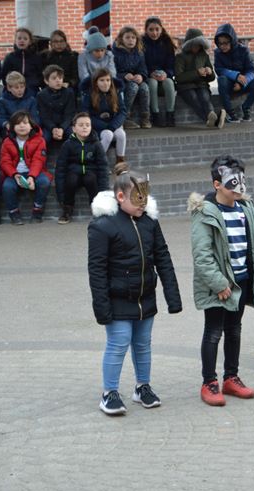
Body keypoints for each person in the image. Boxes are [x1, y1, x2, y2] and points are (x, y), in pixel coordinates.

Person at [88, 163, 182, 415]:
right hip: (117, 298)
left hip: (145, 296)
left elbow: (162, 256)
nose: (143, 203)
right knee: (118, 343)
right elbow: (96, 270)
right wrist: (102, 307)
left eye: (145, 197)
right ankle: (109, 392)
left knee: (143, 344)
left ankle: (143, 387)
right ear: (121, 196)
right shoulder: (103, 226)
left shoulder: (149, 222)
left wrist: (173, 297)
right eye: (137, 198)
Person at [187, 155, 254, 406]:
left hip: (242, 280)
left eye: (241, 180)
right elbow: (202, 255)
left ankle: (231, 377)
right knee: (213, 332)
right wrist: (219, 283)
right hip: (219, 285)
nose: (239, 187)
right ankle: (209, 382)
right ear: (217, 184)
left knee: (234, 330)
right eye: (232, 182)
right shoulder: (205, 212)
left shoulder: (246, 208)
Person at [0, 110, 52, 225]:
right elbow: (5, 162)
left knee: (44, 182)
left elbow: (38, 160)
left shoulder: (39, 140)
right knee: (7, 186)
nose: (22, 126)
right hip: (14, 173)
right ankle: (14, 213)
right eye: (18, 124)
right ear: (12, 127)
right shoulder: (7, 142)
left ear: (31, 126)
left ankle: (37, 210)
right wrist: (15, 174)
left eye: (25, 123)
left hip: (35, 172)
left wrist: (32, 176)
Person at [54, 112, 108, 224]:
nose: (85, 127)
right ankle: (67, 209)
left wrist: (103, 192)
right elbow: (60, 168)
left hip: (90, 173)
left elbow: (103, 167)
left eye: (87, 125)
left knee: (91, 179)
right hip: (74, 174)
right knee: (71, 180)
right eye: (81, 125)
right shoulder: (68, 145)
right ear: (74, 128)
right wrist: (61, 195)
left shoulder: (96, 144)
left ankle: (97, 208)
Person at [175, 28, 226, 129]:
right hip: (185, 87)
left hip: (201, 84)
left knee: (205, 98)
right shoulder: (180, 57)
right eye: (194, 45)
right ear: (189, 45)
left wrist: (210, 72)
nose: (197, 47)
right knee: (194, 99)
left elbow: (212, 78)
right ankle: (214, 120)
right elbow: (179, 77)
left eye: (199, 45)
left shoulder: (204, 56)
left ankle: (212, 115)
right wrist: (197, 73)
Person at [213, 23, 254, 124]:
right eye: (220, 43)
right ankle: (230, 113)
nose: (222, 46)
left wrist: (242, 83)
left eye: (226, 43)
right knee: (221, 79)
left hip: (243, 82)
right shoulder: (217, 53)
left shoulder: (243, 50)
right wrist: (235, 76)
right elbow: (219, 69)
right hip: (228, 84)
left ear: (232, 41)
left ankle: (246, 107)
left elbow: (252, 70)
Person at [81, 68, 127, 163]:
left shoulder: (115, 93)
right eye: (102, 80)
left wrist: (113, 125)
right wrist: (105, 126)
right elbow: (86, 115)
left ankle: (120, 161)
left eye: (108, 80)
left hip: (112, 124)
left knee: (121, 134)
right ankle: (98, 161)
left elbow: (122, 112)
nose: (106, 83)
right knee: (108, 135)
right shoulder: (89, 94)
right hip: (97, 127)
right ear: (95, 82)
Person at [113, 25, 151, 129]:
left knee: (144, 87)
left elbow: (143, 69)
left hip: (134, 79)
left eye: (133, 38)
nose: (131, 40)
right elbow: (112, 71)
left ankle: (145, 117)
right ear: (121, 39)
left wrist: (141, 76)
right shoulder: (115, 52)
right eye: (127, 37)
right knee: (133, 87)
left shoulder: (139, 52)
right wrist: (123, 75)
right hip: (120, 81)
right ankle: (124, 118)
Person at [142, 17, 176, 127]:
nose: (154, 33)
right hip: (149, 74)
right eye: (151, 30)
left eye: (157, 29)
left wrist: (167, 73)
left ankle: (170, 114)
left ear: (161, 29)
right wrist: (150, 73)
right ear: (146, 30)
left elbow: (171, 64)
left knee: (169, 83)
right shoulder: (141, 43)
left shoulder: (167, 42)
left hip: (164, 74)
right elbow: (141, 63)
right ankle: (155, 115)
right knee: (152, 83)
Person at [37, 65, 76, 144]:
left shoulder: (69, 93)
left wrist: (62, 128)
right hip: (49, 126)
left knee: (74, 137)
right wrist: (53, 128)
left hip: (66, 125)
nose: (58, 81)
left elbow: (69, 114)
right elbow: (44, 116)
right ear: (46, 81)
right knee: (43, 139)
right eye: (54, 78)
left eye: (60, 78)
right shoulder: (41, 95)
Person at [0, 71, 40, 138]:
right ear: (9, 88)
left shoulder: (31, 100)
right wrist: (6, 124)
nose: (20, 90)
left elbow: (35, 117)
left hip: (27, 128)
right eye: (16, 88)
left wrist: (29, 125)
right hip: (11, 129)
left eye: (22, 87)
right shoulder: (2, 101)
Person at [1, 27, 44, 95]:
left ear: (30, 42)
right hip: (13, 89)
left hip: (31, 89)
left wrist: (34, 83)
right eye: (19, 38)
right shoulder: (10, 58)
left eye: (25, 39)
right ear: (15, 40)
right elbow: (4, 75)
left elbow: (40, 75)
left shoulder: (36, 58)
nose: (22, 41)